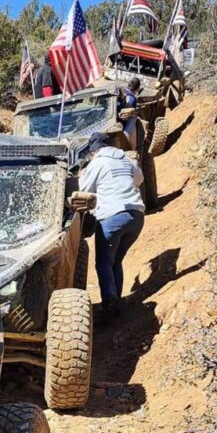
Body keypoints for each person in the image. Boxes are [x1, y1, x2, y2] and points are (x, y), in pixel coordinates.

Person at [78, 132, 145, 321]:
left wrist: (82, 174)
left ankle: (110, 302)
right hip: (136, 215)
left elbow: (83, 188)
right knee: (116, 260)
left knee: (104, 262)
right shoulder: (127, 160)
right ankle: (116, 300)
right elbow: (138, 180)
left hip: (112, 216)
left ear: (94, 151)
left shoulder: (98, 163)